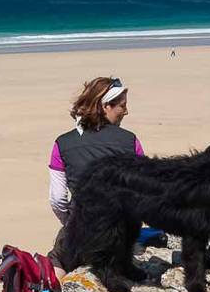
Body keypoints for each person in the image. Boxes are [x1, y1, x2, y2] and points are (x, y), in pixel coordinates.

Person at [49, 76, 143, 225]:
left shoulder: (62, 144)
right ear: (106, 107)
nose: (126, 112)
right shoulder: (131, 141)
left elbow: (57, 198)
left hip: (81, 228)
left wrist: (69, 224)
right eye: (123, 106)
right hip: (121, 231)